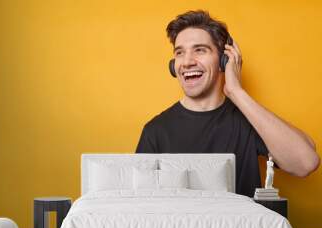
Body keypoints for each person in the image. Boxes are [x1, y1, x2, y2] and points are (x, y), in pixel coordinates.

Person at [135, 10, 320, 197]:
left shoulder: (248, 119)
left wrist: (236, 92)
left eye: (200, 50)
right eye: (180, 52)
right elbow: (142, 207)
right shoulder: (155, 131)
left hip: (240, 227)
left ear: (224, 60)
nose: (187, 62)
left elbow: (306, 163)